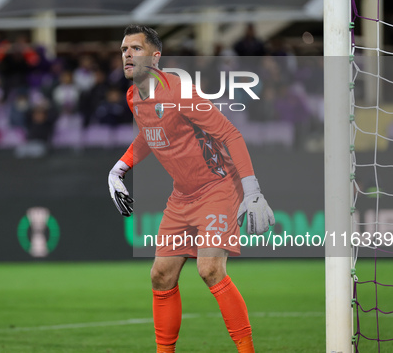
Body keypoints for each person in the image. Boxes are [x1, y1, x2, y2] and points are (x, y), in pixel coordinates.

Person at [107, 25, 275, 353]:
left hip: (217, 187)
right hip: (182, 194)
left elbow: (231, 135)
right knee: (161, 274)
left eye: (135, 48)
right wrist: (120, 168)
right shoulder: (134, 97)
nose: (127, 53)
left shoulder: (181, 92)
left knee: (209, 268)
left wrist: (252, 189)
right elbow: (148, 135)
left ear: (156, 57)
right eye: (124, 49)